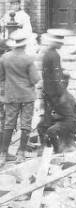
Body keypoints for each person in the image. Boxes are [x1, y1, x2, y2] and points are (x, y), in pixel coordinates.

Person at [0, 30, 40, 162]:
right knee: (26, 124)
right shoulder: (28, 59)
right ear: (24, 44)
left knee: (9, 124)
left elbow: (1, 77)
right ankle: (21, 154)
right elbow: (35, 79)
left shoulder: (5, 58)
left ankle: (3, 154)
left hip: (11, 95)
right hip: (27, 96)